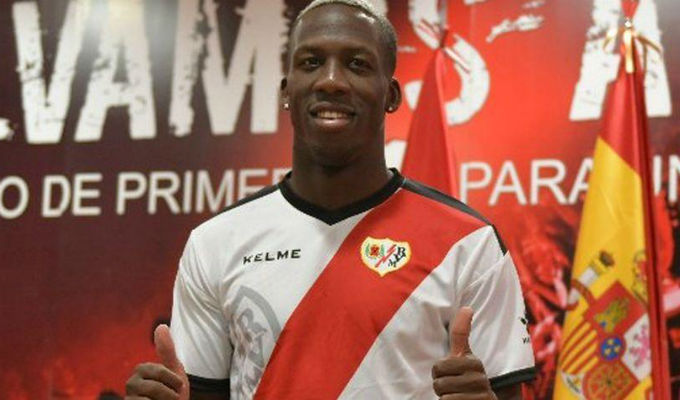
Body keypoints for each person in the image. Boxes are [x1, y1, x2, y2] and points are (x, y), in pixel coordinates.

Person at [125, 0, 535, 399]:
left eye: (357, 64)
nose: (331, 81)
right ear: (286, 90)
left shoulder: (468, 243)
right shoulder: (216, 242)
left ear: (391, 95)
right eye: (311, 63)